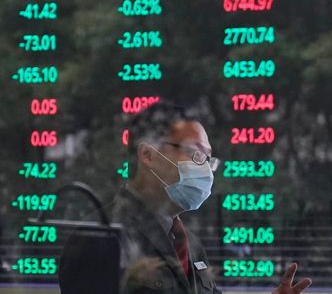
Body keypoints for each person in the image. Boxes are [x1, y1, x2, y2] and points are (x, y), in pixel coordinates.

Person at [60, 101, 311, 294]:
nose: (205, 169)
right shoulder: (100, 240)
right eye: (195, 153)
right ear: (148, 154)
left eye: (207, 159)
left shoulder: (191, 245)